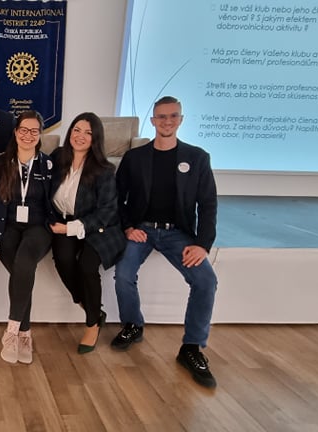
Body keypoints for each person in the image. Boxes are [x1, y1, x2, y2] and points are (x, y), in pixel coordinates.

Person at [111, 96, 219, 388]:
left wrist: (202, 244)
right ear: (153, 121)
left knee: (206, 280)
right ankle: (133, 324)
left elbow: (208, 204)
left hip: (177, 233)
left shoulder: (197, 158)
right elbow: (117, 198)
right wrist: (127, 227)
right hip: (142, 230)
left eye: (173, 116)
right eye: (161, 116)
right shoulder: (135, 158)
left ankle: (192, 347)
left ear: (181, 120)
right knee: (123, 274)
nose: (167, 121)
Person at [48, 113, 125, 354]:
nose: (80, 136)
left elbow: (107, 211)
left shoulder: (104, 170)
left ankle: (92, 324)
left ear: (96, 138)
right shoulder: (58, 157)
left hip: (99, 226)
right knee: (62, 259)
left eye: (88, 132)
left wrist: (69, 228)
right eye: (77, 129)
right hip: (63, 221)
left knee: (87, 265)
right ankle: (92, 309)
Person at [0, 110, 54, 365]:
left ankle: (12, 330)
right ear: (15, 132)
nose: (28, 135)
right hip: (7, 226)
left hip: (38, 227)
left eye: (34, 131)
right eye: (23, 130)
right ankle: (25, 333)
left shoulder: (48, 164)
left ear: (40, 134)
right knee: (21, 272)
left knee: (25, 260)